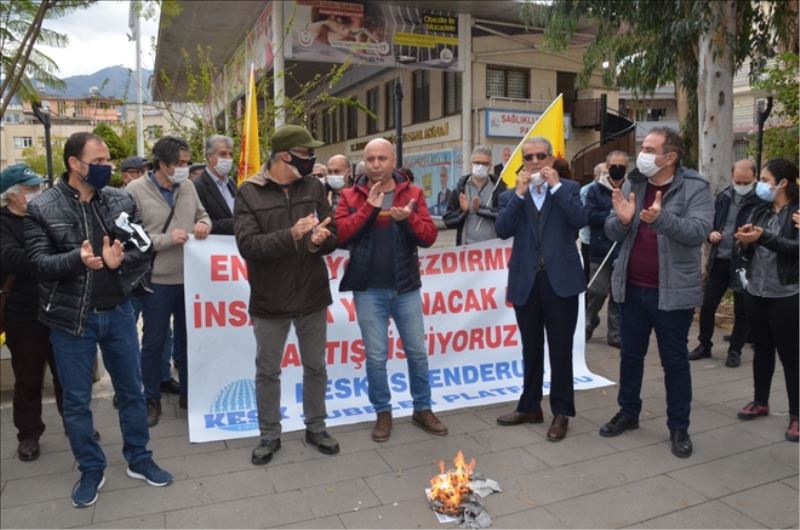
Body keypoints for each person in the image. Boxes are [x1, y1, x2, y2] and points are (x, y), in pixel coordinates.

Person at [25, 132, 172, 508]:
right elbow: (39, 264)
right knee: (76, 402)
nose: (108, 166)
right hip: (72, 321)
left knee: (132, 391)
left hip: (119, 313)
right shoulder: (42, 206)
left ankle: (139, 458)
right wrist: (80, 259)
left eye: (109, 160)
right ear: (75, 164)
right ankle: (91, 467)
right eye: (101, 160)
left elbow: (143, 248)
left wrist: (119, 262)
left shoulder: (120, 199)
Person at [600, 127, 713, 458]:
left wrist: (661, 220)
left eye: (649, 148)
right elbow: (613, 229)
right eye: (642, 147)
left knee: (674, 361)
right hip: (632, 289)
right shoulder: (635, 182)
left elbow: (699, 232)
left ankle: (679, 426)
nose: (642, 154)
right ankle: (628, 412)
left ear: (671, 156)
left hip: (672, 293)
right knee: (630, 355)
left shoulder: (695, 187)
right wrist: (621, 222)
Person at [234, 125, 340, 465]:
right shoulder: (249, 192)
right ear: (285, 155)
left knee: (315, 366)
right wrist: (291, 234)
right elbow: (248, 246)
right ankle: (269, 434)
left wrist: (321, 239)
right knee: (267, 371)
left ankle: (316, 427)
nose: (312, 159)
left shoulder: (313, 186)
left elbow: (332, 230)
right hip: (270, 300)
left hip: (311, 294)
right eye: (307, 153)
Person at [335, 138, 447, 442]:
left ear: (393, 160)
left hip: (405, 287)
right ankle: (383, 412)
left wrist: (409, 219)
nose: (375, 165)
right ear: (364, 161)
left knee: (417, 352)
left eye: (382, 158)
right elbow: (341, 235)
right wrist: (368, 210)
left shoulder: (411, 193)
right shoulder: (349, 194)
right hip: (368, 289)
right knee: (375, 356)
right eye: (370, 159)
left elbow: (429, 237)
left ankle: (422, 408)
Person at [493, 137, 587, 442]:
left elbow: (580, 220)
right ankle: (530, 406)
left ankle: (562, 412)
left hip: (560, 281)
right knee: (530, 348)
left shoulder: (570, 190)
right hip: (526, 282)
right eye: (529, 157)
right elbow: (502, 230)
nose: (535, 162)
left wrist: (557, 188)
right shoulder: (511, 196)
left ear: (550, 159)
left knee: (560, 351)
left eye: (540, 156)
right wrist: (519, 195)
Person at [126, 135, 211, 426]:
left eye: (186, 163)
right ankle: (150, 398)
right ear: (161, 163)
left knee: (190, 340)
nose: (184, 168)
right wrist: (164, 239)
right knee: (153, 341)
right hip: (157, 280)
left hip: (191, 277)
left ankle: (189, 392)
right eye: (178, 163)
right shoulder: (135, 190)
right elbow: (130, 236)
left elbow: (203, 215)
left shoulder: (188, 186)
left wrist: (203, 224)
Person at [1, 165, 66, 461]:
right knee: (28, 378)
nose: (38, 193)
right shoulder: (3, 224)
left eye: (39, 187)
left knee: (67, 372)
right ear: (13, 195)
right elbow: (11, 259)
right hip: (23, 314)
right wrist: (44, 254)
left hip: (58, 306)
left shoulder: (44, 217)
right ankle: (28, 434)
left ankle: (75, 424)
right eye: (31, 188)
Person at [734, 158, 798, 442]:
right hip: (755, 290)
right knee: (761, 349)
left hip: (785, 293)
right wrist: (745, 242)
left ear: (782, 183)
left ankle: (796, 415)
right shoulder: (760, 210)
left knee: (791, 356)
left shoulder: (797, 213)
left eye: (764, 179)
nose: (760, 185)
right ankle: (761, 401)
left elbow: (795, 250)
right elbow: (747, 248)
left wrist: (763, 239)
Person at [689, 159, 760, 367]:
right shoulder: (723, 196)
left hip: (744, 262)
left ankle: (735, 350)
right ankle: (704, 344)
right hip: (720, 258)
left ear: (754, 178)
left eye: (746, 181)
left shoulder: (760, 201)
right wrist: (710, 234)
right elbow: (710, 222)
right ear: (732, 177)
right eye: (738, 180)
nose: (741, 185)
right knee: (708, 304)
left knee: (742, 310)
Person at [585, 151, 630, 348]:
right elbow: (589, 216)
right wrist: (613, 213)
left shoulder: (632, 188)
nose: (618, 168)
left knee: (618, 294)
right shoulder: (595, 190)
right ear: (607, 166)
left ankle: (616, 333)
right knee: (598, 290)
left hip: (623, 249)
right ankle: (589, 320)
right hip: (601, 248)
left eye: (622, 165)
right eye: (614, 165)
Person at [443, 145, 507, 245]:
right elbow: (447, 221)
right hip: (466, 249)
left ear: (490, 166)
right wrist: (463, 211)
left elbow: (505, 216)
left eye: (485, 163)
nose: (480, 166)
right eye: (477, 162)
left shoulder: (498, 188)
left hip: (493, 250)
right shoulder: (460, 189)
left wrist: (479, 209)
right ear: (470, 163)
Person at [192, 135, 238, 235]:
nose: (228, 158)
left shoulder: (232, 185)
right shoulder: (197, 186)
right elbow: (201, 223)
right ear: (209, 156)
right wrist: (238, 223)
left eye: (231, 154)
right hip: (214, 246)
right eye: (223, 154)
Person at [578, 164, 603, 283]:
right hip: (589, 238)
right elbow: (586, 216)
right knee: (589, 272)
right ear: (596, 175)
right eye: (603, 174)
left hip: (606, 237)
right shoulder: (586, 190)